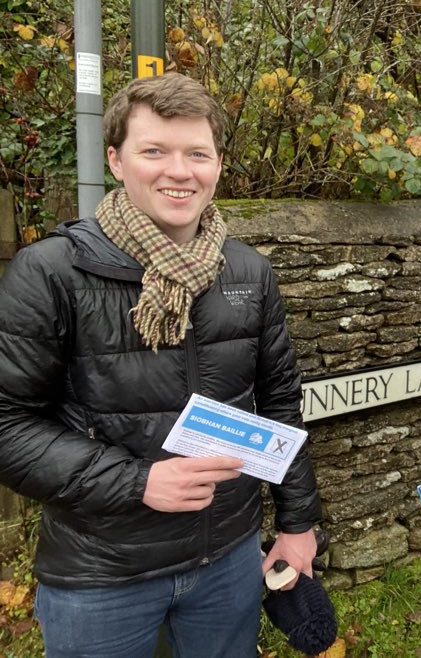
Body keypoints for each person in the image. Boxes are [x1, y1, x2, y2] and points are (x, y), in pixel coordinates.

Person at [0, 73, 323, 658]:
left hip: (227, 560)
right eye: (155, 151)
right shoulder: (50, 273)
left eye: (197, 153)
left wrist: (298, 524)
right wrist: (136, 481)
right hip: (101, 574)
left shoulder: (248, 271)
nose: (179, 171)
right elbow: (7, 426)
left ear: (218, 164)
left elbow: (279, 407)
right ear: (117, 160)